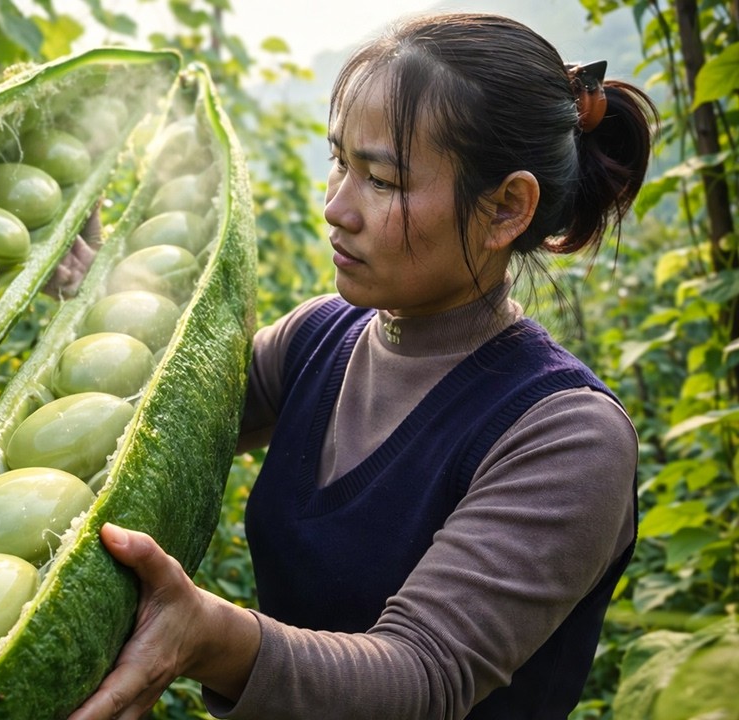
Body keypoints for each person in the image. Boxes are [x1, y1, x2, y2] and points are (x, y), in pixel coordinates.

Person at [68, 12, 656, 720]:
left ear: (506, 208)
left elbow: (423, 677)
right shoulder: (319, 336)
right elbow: (165, 409)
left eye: (381, 180)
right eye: (339, 162)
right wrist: (97, 289)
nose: (335, 208)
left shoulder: (565, 437)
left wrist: (208, 638)